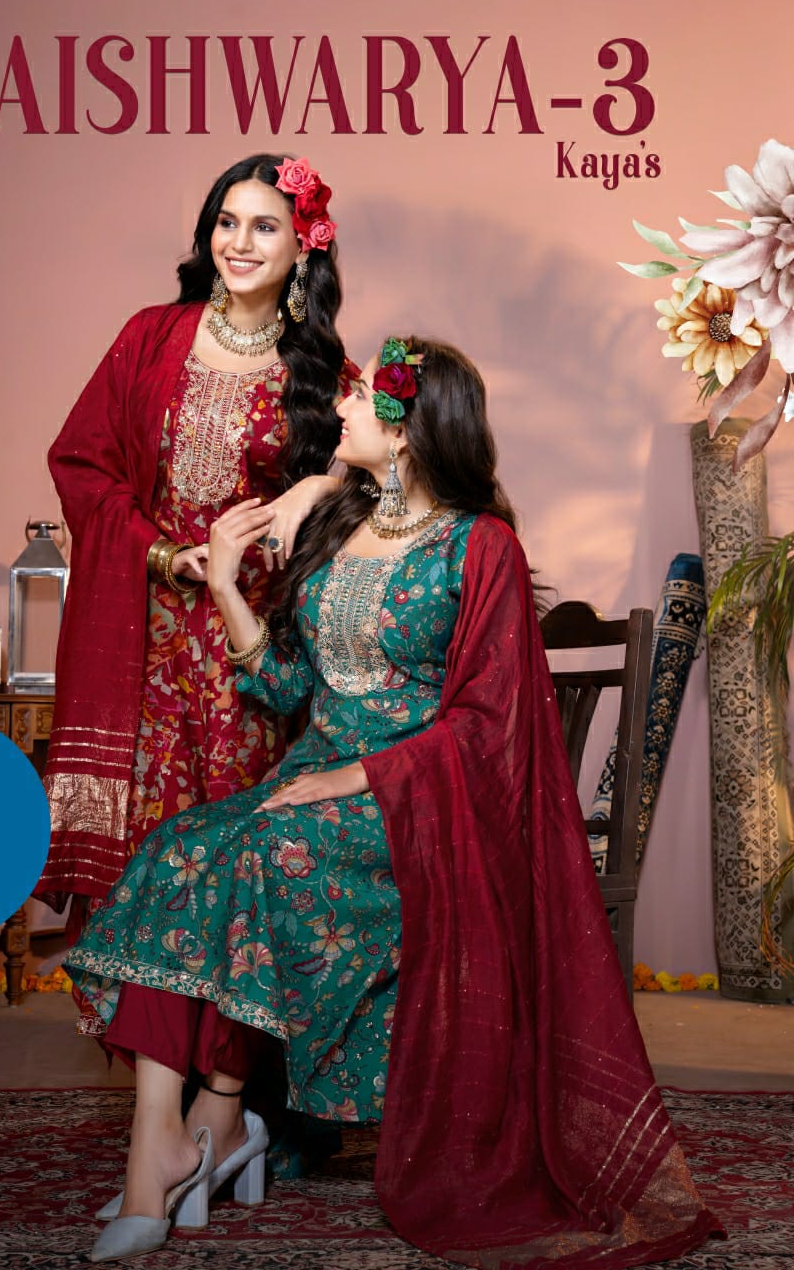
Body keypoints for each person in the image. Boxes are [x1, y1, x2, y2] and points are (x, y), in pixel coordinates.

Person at [65, 336, 722, 1267]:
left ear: (406, 428)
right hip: (311, 784)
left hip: (420, 806)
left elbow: (488, 723)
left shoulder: (479, 548)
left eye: (364, 392)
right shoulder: (337, 528)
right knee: (178, 849)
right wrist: (222, 585)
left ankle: (205, 1127)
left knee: (252, 855)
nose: (342, 403)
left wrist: (356, 777)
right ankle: (175, 1139)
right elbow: (287, 686)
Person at [34, 154, 357, 968]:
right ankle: (142, 1035)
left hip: (250, 651)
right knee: (143, 831)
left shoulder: (320, 369)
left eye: (264, 226)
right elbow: (81, 462)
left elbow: (391, 466)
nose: (238, 243)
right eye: (226, 222)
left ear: (305, 247)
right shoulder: (150, 337)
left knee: (231, 841)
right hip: (144, 638)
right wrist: (165, 555)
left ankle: (225, 1039)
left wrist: (315, 485)